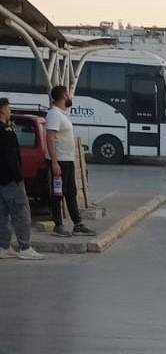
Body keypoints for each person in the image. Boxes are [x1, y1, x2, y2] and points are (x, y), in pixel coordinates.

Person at [45, 86, 95, 237]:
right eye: (68, 94)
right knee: (58, 193)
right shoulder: (54, 114)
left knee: (70, 192)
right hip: (59, 161)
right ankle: (58, 225)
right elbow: (50, 138)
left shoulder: (62, 114)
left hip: (67, 160)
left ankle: (77, 224)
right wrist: (54, 163)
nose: (70, 97)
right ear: (64, 96)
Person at [0, 98, 44, 260]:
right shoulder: (7, 133)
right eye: (8, 107)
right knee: (21, 211)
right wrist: (19, 176)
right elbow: (11, 157)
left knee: (2, 213)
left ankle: (3, 246)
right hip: (11, 179)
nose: (10, 110)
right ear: (2, 110)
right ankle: (25, 247)